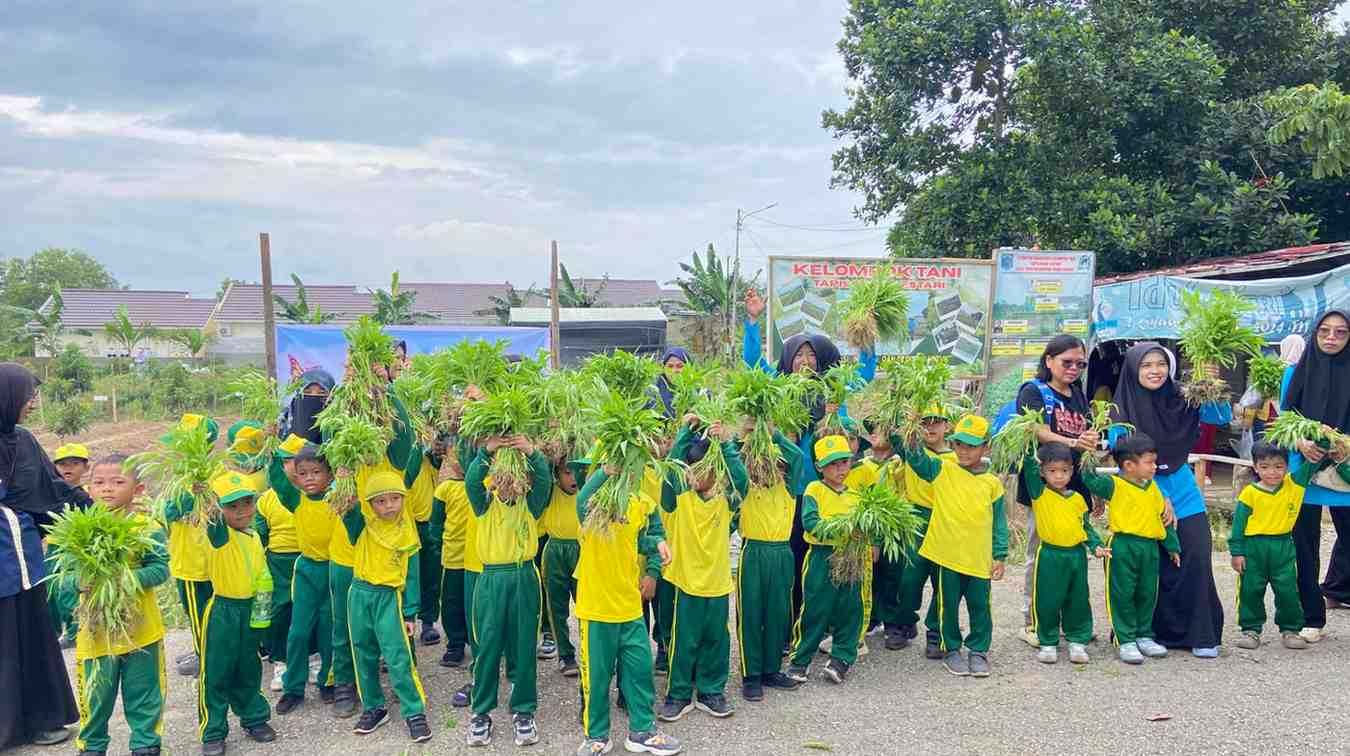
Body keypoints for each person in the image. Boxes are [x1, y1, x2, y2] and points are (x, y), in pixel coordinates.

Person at [742, 288, 877, 619]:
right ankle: (790, 621)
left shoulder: (834, 389)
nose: (805, 361)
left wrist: (868, 334)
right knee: (794, 556)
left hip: (825, 489)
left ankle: (820, 623)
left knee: (820, 559)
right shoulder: (780, 385)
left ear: (822, 360)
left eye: (811, 355)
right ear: (789, 361)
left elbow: (866, 373)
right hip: (790, 490)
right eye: (798, 355)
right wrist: (753, 321)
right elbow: (753, 365)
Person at [1110, 342, 1230, 657]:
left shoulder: (1183, 396)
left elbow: (1220, 416)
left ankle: (1200, 634)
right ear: (1134, 369)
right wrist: (1157, 497)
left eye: (1160, 364)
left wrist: (1211, 386)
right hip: (1141, 494)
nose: (1154, 371)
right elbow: (1120, 452)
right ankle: (1145, 633)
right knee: (1149, 566)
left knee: (1197, 554)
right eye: (1146, 365)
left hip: (1183, 488)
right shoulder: (1119, 408)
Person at [574, 456, 682, 756]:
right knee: (596, 679)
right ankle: (596, 735)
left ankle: (642, 731)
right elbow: (581, 503)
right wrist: (604, 473)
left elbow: (648, 536)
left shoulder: (641, 502)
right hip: (596, 608)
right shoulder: (594, 502)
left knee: (639, 670)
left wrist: (657, 548)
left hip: (629, 605)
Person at [72, 454, 169, 756]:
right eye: (98, 482)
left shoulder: (146, 527)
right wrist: (79, 583)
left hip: (142, 631)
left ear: (138, 489)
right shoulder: (80, 528)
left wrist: (125, 579)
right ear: (89, 489)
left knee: (144, 694)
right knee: (96, 697)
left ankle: (146, 745)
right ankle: (92, 747)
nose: (107, 489)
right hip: (96, 634)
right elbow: (64, 576)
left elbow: (160, 568)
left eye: (117, 482)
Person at [900, 415, 1008, 678]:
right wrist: (908, 429)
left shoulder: (992, 484)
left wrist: (1000, 555)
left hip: (978, 559)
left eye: (972, 445)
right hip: (947, 556)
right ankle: (951, 649)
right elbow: (915, 458)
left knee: (980, 606)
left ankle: (979, 650)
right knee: (946, 605)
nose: (964, 451)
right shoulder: (942, 469)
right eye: (959, 444)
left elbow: (999, 524)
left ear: (986, 447)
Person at [464, 436, 552, 748]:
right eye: (501, 477)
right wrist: (486, 451)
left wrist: (532, 451)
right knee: (487, 647)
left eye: (515, 476)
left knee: (524, 645)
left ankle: (524, 710)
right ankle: (481, 712)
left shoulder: (532, 503)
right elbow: (472, 479)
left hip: (524, 576)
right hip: (490, 580)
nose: (508, 483)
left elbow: (544, 478)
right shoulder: (483, 504)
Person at [658, 423, 747, 721]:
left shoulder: (726, 502)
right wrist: (684, 432)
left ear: (716, 471)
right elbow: (671, 471)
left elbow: (742, 481)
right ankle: (679, 694)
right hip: (686, 584)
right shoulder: (680, 499)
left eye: (700, 470)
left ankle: (711, 691)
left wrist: (725, 445)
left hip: (718, 584)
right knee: (683, 642)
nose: (692, 475)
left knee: (717, 642)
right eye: (691, 470)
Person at [1015, 335, 1099, 647]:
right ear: (1048, 360)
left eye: (1080, 363)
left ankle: (1069, 621)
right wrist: (1072, 442)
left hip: (1075, 490)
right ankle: (1032, 621)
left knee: (1074, 555)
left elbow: (1087, 442)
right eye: (1067, 362)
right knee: (1040, 554)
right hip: (1044, 491)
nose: (1074, 368)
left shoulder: (1078, 395)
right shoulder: (1033, 391)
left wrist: (1095, 491)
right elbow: (1032, 428)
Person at [1232, 441, 1349, 651]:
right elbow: (1238, 526)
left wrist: (1322, 438)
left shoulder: (1293, 485)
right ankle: (1251, 630)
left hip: (1283, 546)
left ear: (1287, 466)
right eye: (1265, 467)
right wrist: (1237, 552)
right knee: (1251, 590)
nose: (1272, 473)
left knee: (1288, 591)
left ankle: (1290, 630)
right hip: (1254, 548)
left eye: (1278, 466)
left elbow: (1313, 462)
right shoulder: (1249, 493)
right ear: (1255, 466)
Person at [341, 471, 431, 743]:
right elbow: (348, 511)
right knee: (363, 653)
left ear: (404, 499)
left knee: (397, 656)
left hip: (389, 598)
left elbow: (413, 577)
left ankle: (414, 711)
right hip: (359, 594)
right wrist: (345, 476)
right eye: (380, 501)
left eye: (395, 498)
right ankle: (374, 707)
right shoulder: (362, 526)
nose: (389, 505)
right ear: (369, 505)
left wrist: (410, 612)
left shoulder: (407, 534)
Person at [197, 472, 277, 756]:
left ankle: (254, 718)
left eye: (247, 502)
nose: (242, 510)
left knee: (249, 668)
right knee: (217, 672)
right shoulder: (219, 534)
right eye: (232, 506)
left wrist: (262, 617)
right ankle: (213, 731)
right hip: (223, 611)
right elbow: (213, 520)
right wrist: (203, 494)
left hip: (251, 610)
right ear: (219, 510)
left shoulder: (254, 535)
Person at [1081, 433, 1179, 665]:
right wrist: (1088, 453)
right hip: (1123, 546)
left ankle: (1144, 635)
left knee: (1147, 593)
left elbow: (1162, 519)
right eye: (1149, 462)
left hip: (1150, 548)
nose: (1155, 467)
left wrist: (1172, 545)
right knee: (1122, 594)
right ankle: (1124, 640)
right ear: (1128, 465)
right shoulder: (1114, 485)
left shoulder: (1152, 488)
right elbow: (1088, 478)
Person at [1281, 311, 1350, 636]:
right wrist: (1301, 442)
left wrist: (1345, 446)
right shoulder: (1296, 372)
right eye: (1324, 331)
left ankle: (1338, 589)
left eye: (1340, 332)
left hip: (1345, 472)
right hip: (1304, 470)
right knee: (1304, 546)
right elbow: (1282, 423)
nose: (1331, 338)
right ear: (1315, 334)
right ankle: (1312, 618)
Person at [787, 435, 867, 685]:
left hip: (851, 557)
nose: (840, 469)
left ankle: (841, 658)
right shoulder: (814, 490)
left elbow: (865, 526)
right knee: (815, 608)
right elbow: (810, 523)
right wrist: (843, 529)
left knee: (850, 607)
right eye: (833, 464)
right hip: (822, 556)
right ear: (820, 466)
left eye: (844, 462)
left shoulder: (857, 495)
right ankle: (801, 659)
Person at [735, 430, 805, 702]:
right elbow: (734, 459)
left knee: (779, 613)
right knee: (751, 614)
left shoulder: (787, 488)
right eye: (763, 462)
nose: (771, 467)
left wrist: (773, 434)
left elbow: (798, 456)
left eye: (776, 463)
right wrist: (751, 439)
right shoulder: (746, 487)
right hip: (754, 551)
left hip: (781, 552)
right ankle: (751, 675)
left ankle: (771, 669)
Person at [1021, 443, 1106, 665]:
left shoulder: (1077, 498)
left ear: (1072, 471)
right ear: (1042, 472)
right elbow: (1029, 466)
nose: (1059, 476)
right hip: (1050, 555)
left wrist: (1095, 545)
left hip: (1076, 556)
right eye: (1052, 471)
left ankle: (1077, 641)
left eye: (1065, 471)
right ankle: (1048, 642)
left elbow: (1085, 527)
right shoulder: (1039, 493)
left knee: (1078, 599)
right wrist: (1029, 441)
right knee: (1047, 599)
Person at [273, 443, 338, 716]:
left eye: (316, 472)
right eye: (303, 473)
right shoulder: (296, 499)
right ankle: (293, 688)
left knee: (328, 630)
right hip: (306, 570)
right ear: (296, 477)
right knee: (298, 632)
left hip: (333, 570)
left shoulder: (338, 498)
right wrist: (272, 449)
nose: (310, 478)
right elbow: (277, 480)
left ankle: (328, 681)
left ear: (330, 475)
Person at [890, 408, 955, 658]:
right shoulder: (910, 447)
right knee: (909, 576)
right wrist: (907, 419)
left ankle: (936, 633)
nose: (930, 427)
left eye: (936, 422)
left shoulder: (956, 457)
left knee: (943, 579)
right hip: (916, 517)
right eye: (924, 422)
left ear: (946, 427)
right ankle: (905, 621)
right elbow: (892, 431)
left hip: (944, 519)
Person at [162, 415, 220, 679]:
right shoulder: (209, 473)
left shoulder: (199, 479)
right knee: (207, 609)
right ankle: (206, 650)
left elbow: (170, 512)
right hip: (206, 559)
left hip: (194, 561)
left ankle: (206, 656)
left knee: (199, 611)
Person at [254, 434, 307, 693]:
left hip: (307, 557)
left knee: (310, 610)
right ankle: (281, 661)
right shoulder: (267, 498)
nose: (293, 467)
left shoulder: (313, 490)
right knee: (280, 610)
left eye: (298, 460)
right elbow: (259, 532)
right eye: (287, 461)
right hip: (279, 560)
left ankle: (313, 658)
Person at [540, 458, 583, 678]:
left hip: (582, 550)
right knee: (556, 607)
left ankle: (590, 651)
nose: (572, 478)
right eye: (566, 473)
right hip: (555, 551)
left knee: (585, 605)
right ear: (557, 475)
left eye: (575, 472)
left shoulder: (586, 491)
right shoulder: (550, 490)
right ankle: (566, 655)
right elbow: (542, 468)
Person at [430, 442, 470, 669]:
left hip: (481, 558)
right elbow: (435, 523)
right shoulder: (445, 489)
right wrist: (437, 545)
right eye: (459, 455)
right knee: (452, 602)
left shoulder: (487, 484)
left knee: (476, 604)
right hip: (453, 557)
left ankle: (479, 641)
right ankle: (455, 644)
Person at [47, 441, 89, 648]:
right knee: (50, 590)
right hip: (54, 547)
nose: (68, 468)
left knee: (70, 591)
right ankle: (53, 632)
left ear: (85, 467)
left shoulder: (89, 494)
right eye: (62, 464)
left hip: (75, 548)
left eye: (74, 463)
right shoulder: (51, 492)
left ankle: (73, 633)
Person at [404, 442, 443, 647]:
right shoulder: (398, 460)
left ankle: (428, 622)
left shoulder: (429, 458)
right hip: (405, 526)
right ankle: (403, 624)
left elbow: (440, 456)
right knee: (408, 579)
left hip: (428, 524)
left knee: (431, 576)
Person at [650, 347, 690, 419]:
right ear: (664, 369)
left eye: (680, 366)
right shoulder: (653, 391)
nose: (674, 370)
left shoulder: (700, 392)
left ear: (689, 368)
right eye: (670, 366)